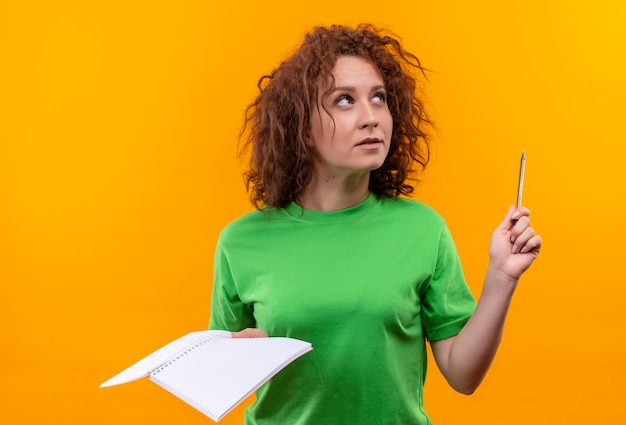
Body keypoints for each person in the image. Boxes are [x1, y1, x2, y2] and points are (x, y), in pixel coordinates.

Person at [209, 24, 542, 425]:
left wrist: (502, 277)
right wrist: (233, 363)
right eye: (344, 100)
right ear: (302, 128)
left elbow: (463, 374)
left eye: (379, 98)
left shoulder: (422, 229)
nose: (371, 118)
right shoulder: (240, 242)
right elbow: (219, 384)